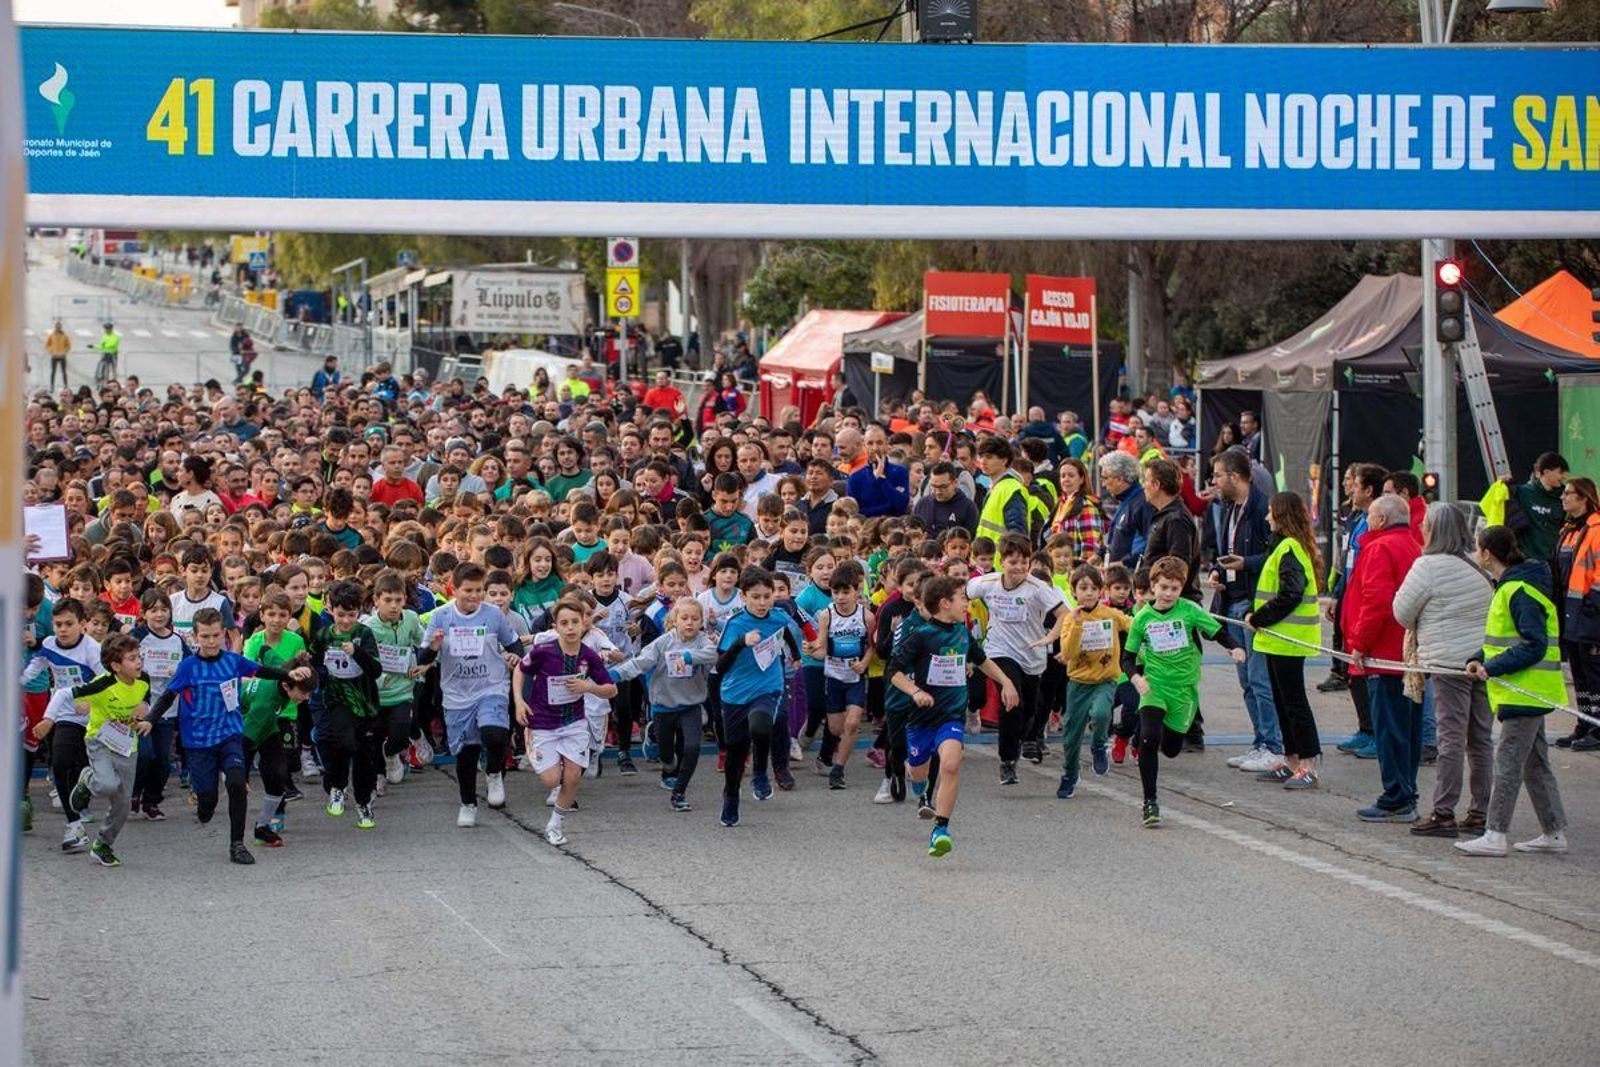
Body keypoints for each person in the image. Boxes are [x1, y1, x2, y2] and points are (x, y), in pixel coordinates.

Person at [148, 608, 315, 865]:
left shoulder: (232, 661)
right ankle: (204, 804)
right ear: (195, 637)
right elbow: (169, 696)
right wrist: (150, 720)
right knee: (208, 801)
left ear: (224, 634)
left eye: (216, 635)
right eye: (205, 636)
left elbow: (261, 670)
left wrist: (288, 674)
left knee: (237, 784)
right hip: (199, 741)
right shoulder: (188, 667)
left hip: (229, 734)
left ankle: (237, 844)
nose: (212, 641)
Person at [1456, 526, 1570, 857]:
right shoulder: (1515, 586)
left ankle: (1495, 834)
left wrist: (1492, 667)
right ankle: (1553, 831)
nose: (1476, 554)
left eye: (1478, 548)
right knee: (1534, 763)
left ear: (1487, 553)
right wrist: (1479, 658)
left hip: (1525, 690)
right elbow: (1505, 641)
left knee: (1507, 763)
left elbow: (1533, 645)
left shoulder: (1517, 589)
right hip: (1528, 689)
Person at [888, 575, 1019, 857]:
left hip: (951, 716)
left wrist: (1006, 682)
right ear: (945, 603)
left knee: (950, 764)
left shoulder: (962, 632)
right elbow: (893, 671)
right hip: (921, 718)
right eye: (962, 598)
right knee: (918, 769)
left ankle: (941, 829)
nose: (966, 604)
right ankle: (919, 786)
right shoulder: (921, 635)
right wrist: (914, 691)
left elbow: (982, 661)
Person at [1393, 502, 1494, 837]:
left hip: (1447, 663)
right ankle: (1480, 811)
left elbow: (1402, 612)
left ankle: (1443, 812)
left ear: (1433, 530)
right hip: (1481, 663)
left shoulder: (1427, 566)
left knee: (1449, 738)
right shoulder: (1477, 566)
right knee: (1480, 740)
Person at [1121, 556, 1244, 827]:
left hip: (1184, 691)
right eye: (1163, 587)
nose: (1168, 594)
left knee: (1172, 748)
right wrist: (1136, 678)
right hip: (1154, 686)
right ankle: (1150, 802)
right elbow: (1127, 658)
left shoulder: (1189, 611)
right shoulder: (1143, 619)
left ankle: (1163, 729)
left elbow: (1216, 631)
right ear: (1153, 586)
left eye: (1174, 589)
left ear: (1181, 589)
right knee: (1149, 738)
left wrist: (1234, 646)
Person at [419, 562, 525, 828]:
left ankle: (493, 773)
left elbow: (515, 645)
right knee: (466, 753)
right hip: (456, 694)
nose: (474, 596)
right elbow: (423, 659)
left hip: (491, 687)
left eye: (479, 590)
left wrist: (514, 656)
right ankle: (468, 803)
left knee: (494, 733)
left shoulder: (493, 615)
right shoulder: (440, 616)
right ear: (453, 589)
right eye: (468, 590)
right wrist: (433, 648)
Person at [513, 598, 618, 847]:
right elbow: (520, 669)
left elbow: (611, 689)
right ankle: (536, 747)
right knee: (551, 780)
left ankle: (555, 825)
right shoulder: (544, 652)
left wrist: (589, 686)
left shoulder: (589, 657)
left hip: (574, 722)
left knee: (572, 777)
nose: (570, 628)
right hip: (542, 723)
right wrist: (519, 701)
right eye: (564, 623)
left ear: (583, 624)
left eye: (575, 622)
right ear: (555, 627)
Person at [1345, 494, 1424, 823]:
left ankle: (1397, 797)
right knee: (1407, 728)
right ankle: (1405, 790)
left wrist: (1360, 644)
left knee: (1389, 728)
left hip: (1384, 653)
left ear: (1379, 520)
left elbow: (1376, 601)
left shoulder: (1379, 547)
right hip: (1406, 653)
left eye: (1371, 515)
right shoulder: (1413, 545)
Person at [966, 533, 1067, 779]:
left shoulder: (1038, 588)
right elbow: (960, 596)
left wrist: (1050, 637)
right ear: (1002, 562)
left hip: (1032, 655)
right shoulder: (986, 583)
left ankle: (1023, 740)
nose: (1019, 568)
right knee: (1011, 699)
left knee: (1029, 710)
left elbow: (1066, 615)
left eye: (1024, 562)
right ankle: (1007, 761)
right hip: (999, 650)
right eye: (1013, 562)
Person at [1207, 447, 1280, 772]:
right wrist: (1218, 571)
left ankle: (1273, 745)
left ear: (1235, 476)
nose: (1214, 481)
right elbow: (1227, 550)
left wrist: (1245, 564)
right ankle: (1259, 741)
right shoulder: (1227, 507)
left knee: (1260, 679)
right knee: (1246, 680)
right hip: (1231, 599)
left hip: (1253, 604)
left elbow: (1278, 556)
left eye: (1219, 475)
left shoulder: (1263, 507)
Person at [51, 634, 152, 868]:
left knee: (123, 804)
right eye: (132, 659)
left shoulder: (143, 679)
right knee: (106, 784)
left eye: (139, 657)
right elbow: (67, 694)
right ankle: (87, 779)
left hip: (127, 745)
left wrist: (144, 709)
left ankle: (103, 844)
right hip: (100, 741)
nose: (139, 662)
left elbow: (146, 698)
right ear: (116, 666)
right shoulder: (102, 683)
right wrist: (74, 708)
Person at [1246, 492, 1324, 789]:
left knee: (1294, 702)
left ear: (1281, 516)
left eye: (1270, 512)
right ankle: (1292, 761)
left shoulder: (1289, 548)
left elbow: (1290, 593)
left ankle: (1307, 765)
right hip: (1278, 639)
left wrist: (1259, 617)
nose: (1267, 517)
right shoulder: (1285, 546)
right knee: (1283, 701)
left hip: (1288, 638)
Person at [714, 568, 804, 827]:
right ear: (743, 596)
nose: (763, 602)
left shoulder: (778, 615)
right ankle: (731, 795)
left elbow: (784, 632)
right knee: (736, 752)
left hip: (768, 687)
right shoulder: (735, 624)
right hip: (735, 694)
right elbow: (720, 666)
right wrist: (741, 642)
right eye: (756, 597)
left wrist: (795, 655)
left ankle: (761, 774)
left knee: (762, 725)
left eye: (767, 596)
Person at [610, 598, 719, 812]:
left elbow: (714, 654)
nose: (689, 623)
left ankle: (679, 792)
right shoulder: (663, 643)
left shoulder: (703, 641)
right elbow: (639, 663)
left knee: (692, 747)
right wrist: (613, 674)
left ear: (701, 622)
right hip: (664, 706)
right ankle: (662, 756)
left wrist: (688, 657)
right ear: (674, 620)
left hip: (691, 705)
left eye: (695, 619)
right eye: (684, 618)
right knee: (668, 756)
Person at [1057, 564, 1130, 798]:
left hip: (1105, 679)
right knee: (1071, 735)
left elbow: (1132, 623)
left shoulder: (1110, 615)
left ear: (1101, 591)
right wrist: (1078, 624)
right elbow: (1067, 653)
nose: (1088, 593)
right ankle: (1070, 773)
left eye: (1093, 588)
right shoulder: (1070, 619)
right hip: (1078, 683)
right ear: (1073, 591)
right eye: (1083, 588)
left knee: (1100, 714)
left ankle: (1099, 745)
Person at [1555, 476, 1600, 750]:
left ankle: (1596, 728)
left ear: (1583, 498)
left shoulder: (1596, 529)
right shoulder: (1569, 530)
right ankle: (1584, 722)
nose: (1563, 498)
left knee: (1594, 675)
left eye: (1569, 494)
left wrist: (1592, 606)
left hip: (1589, 614)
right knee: (1580, 674)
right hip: (1571, 613)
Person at [1479, 452, 1567, 568]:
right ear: (1546, 472)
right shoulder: (1521, 492)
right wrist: (1503, 485)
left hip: (1553, 563)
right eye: (1560, 472)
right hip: (1524, 562)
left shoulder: (1565, 497)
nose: (1564, 477)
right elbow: (1494, 507)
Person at [1098, 450, 1150, 569]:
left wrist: (1124, 563)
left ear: (1120, 479)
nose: (1103, 484)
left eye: (1105, 478)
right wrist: (1100, 554)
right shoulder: (1128, 501)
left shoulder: (1142, 503)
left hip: (1130, 580)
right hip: (1119, 578)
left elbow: (1150, 545)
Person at [1050, 458, 1103, 563]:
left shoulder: (1086, 506)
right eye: (1063, 476)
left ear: (1082, 479)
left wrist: (1079, 572)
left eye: (1071, 475)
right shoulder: (1061, 504)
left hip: (1077, 571)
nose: (1066, 479)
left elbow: (1090, 546)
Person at [911, 461, 978, 537]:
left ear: (955, 483)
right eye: (934, 486)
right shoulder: (922, 504)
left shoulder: (968, 508)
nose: (938, 492)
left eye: (943, 487)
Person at [45, 319, 70, 390]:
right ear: (55, 327)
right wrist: (51, 351)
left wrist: (64, 352)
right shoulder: (51, 335)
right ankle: (52, 386)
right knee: (53, 372)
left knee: (64, 372)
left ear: (61, 327)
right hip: (54, 356)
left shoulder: (65, 335)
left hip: (62, 356)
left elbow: (68, 345)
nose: (58, 327)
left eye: (59, 326)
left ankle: (65, 386)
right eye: (56, 326)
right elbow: (47, 345)